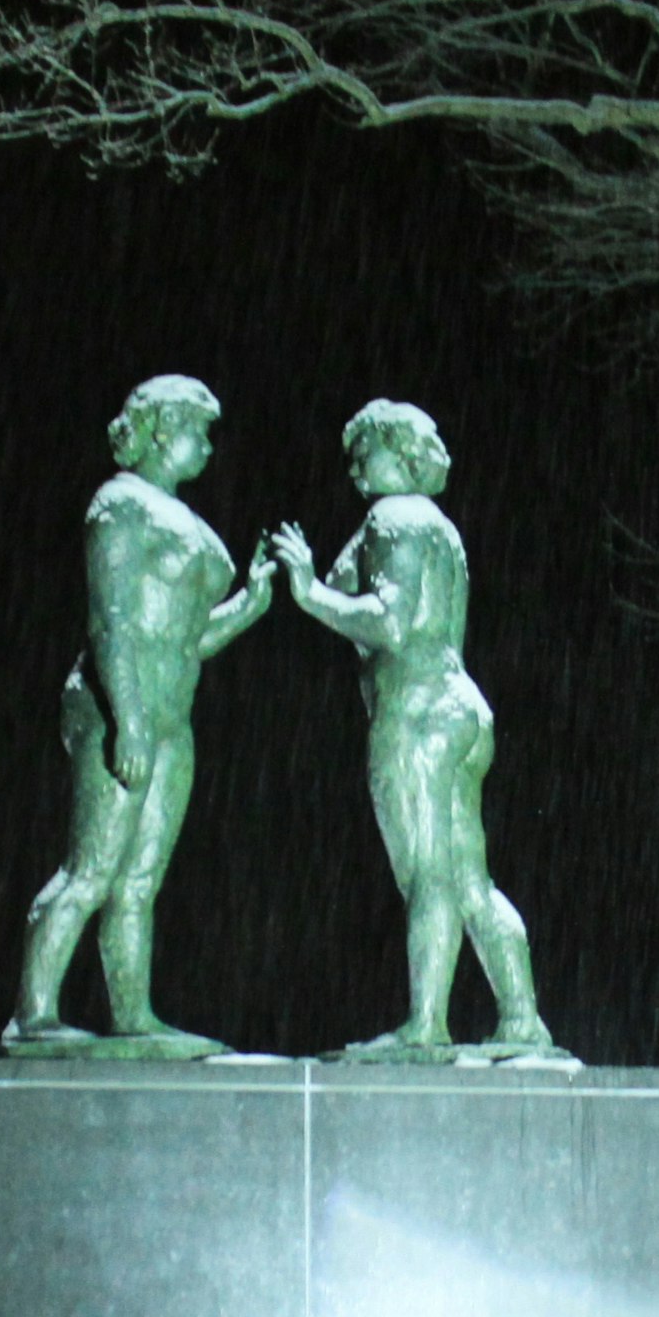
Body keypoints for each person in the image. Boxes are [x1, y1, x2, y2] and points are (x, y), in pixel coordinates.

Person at [267, 400, 555, 1058]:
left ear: (396, 450)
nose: (355, 469)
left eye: (363, 452)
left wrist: (309, 594)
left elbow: (387, 623)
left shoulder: (393, 518)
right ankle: (521, 1019)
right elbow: (353, 579)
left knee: (426, 876)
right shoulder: (435, 527)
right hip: (461, 708)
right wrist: (321, 576)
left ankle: (426, 1025)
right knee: (470, 880)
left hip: (417, 711)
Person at [9, 374, 278, 1054]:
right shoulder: (119, 505)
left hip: (170, 713)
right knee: (92, 868)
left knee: (139, 880)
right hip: (116, 703)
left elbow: (189, 641)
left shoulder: (178, 517)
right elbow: (113, 621)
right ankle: (33, 1011)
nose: (210, 448)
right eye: (201, 431)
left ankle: (134, 1014)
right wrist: (126, 716)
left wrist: (250, 603)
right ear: (162, 428)